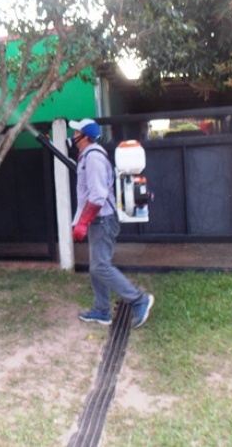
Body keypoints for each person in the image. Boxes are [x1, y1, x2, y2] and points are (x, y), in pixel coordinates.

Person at [69, 118, 154, 329]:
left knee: (100, 266)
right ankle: (101, 310)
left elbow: (98, 196)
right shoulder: (87, 156)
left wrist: (82, 223)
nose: (73, 135)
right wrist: (81, 220)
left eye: (76, 132)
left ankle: (139, 300)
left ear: (85, 136)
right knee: (96, 267)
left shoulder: (94, 158)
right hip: (98, 220)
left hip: (103, 220)